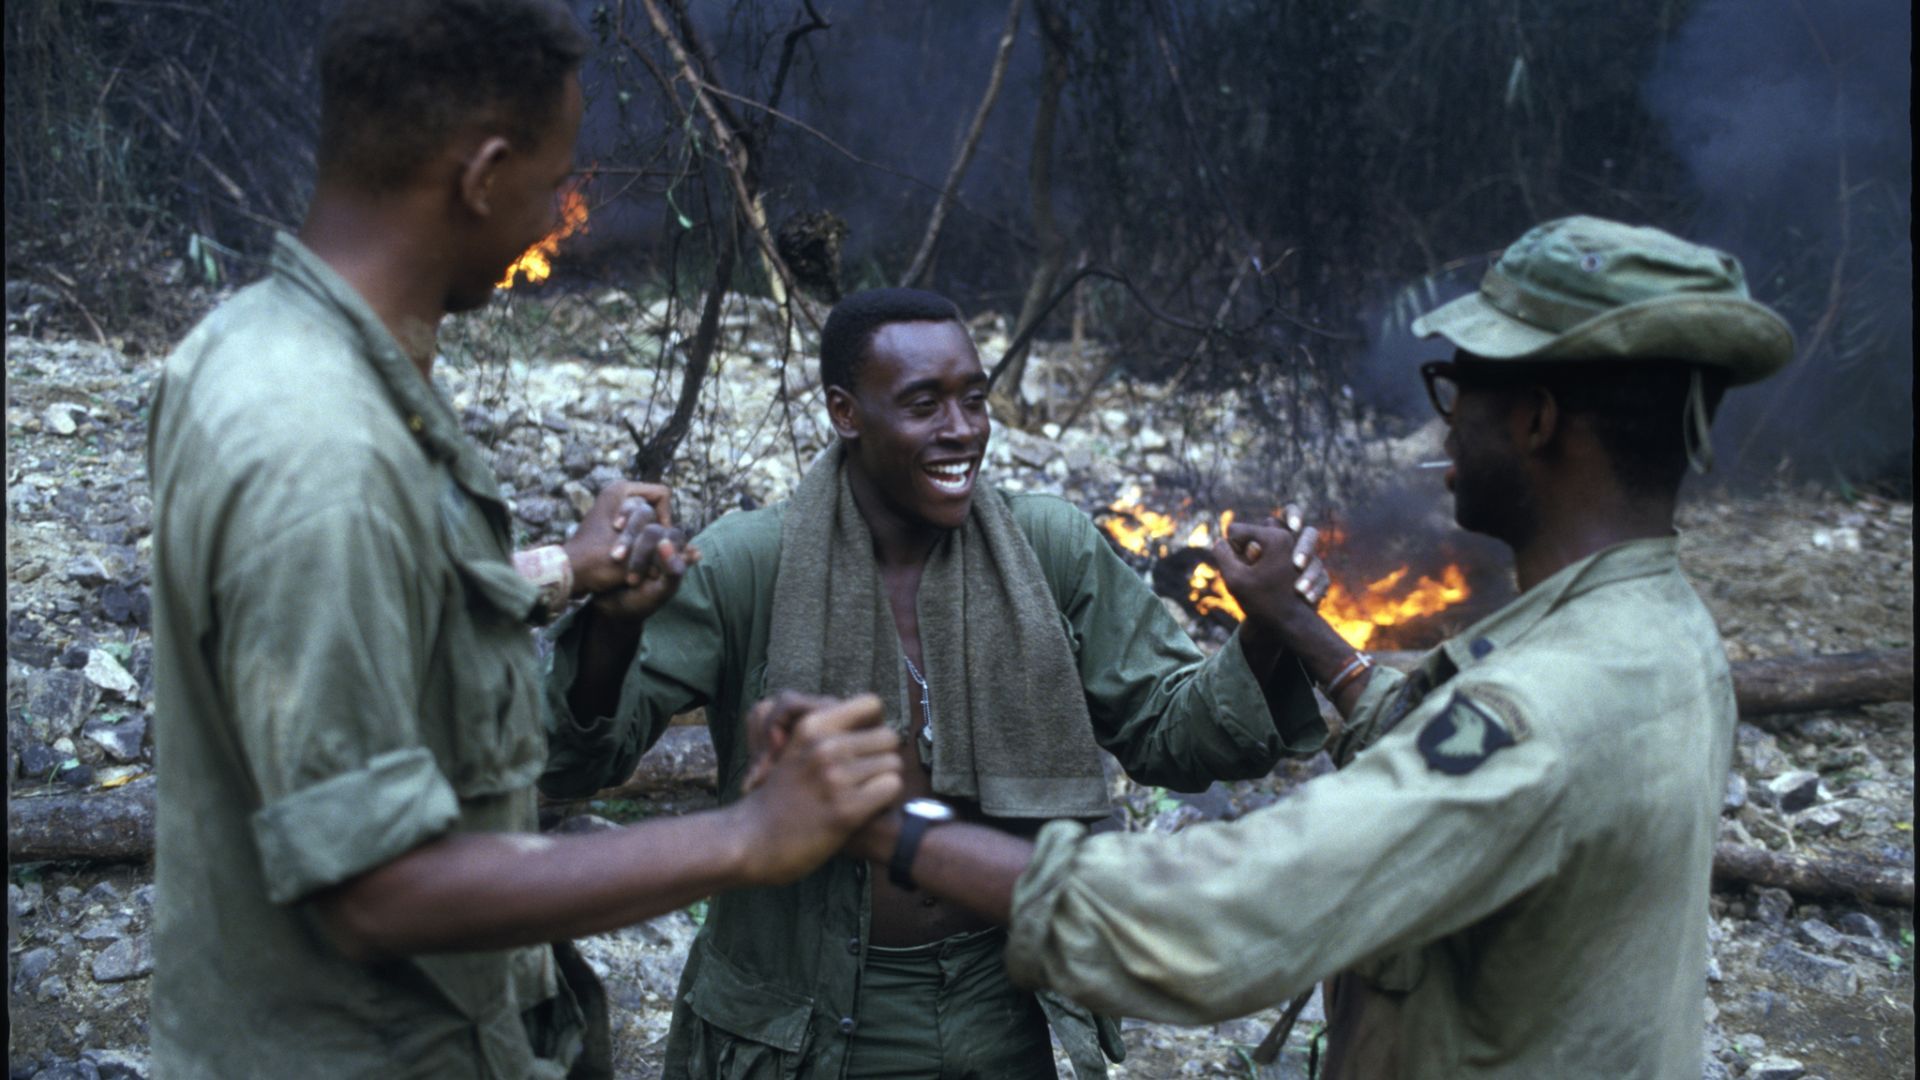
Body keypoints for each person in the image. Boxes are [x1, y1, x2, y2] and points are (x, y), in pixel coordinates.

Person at [811, 217, 1795, 1078]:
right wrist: (1298, 629)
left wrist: (899, 831)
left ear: (1536, 419)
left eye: (1461, 391)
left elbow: (1221, 920)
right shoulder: (1660, 628)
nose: (1444, 420)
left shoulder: (1544, 706)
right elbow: (1445, 749)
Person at [145, 3, 903, 1077]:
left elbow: (370, 603)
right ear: (482, 173)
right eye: (555, 185)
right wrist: (747, 836)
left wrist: (564, 573)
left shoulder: (264, 350)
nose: (559, 219)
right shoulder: (323, 450)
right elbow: (377, 889)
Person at [540, 287, 1332, 1078]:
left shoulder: (1047, 548)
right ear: (846, 413)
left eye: (974, 399)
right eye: (924, 404)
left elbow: (1172, 736)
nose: (962, 430)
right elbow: (573, 762)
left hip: (1000, 1010)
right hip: (796, 1028)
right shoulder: (752, 563)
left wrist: (1266, 629)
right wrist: (612, 627)